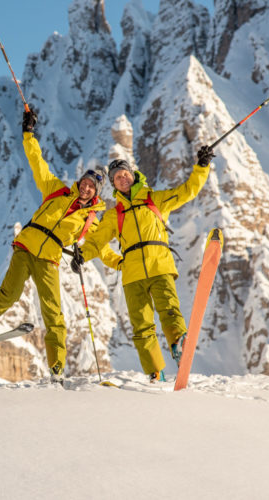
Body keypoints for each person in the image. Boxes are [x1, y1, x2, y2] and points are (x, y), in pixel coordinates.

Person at [0, 109, 114, 384]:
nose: (85, 188)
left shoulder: (91, 219)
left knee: (53, 311)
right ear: (79, 182)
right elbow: (37, 161)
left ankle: (56, 368)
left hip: (49, 258)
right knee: (9, 294)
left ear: (96, 193)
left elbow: (100, 246)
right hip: (27, 245)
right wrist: (28, 134)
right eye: (84, 182)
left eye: (91, 187)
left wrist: (101, 258)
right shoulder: (56, 190)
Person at [74, 146, 214, 382]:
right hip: (132, 275)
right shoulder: (114, 214)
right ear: (113, 184)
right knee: (141, 327)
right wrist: (82, 256)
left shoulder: (155, 199)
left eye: (124, 174)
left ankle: (179, 345)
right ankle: (155, 372)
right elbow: (97, 241)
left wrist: (201, 167)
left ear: (132, 174)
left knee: (169, 310)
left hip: (160, 266)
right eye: (117, 177)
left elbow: (187, 191)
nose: (122, 178)